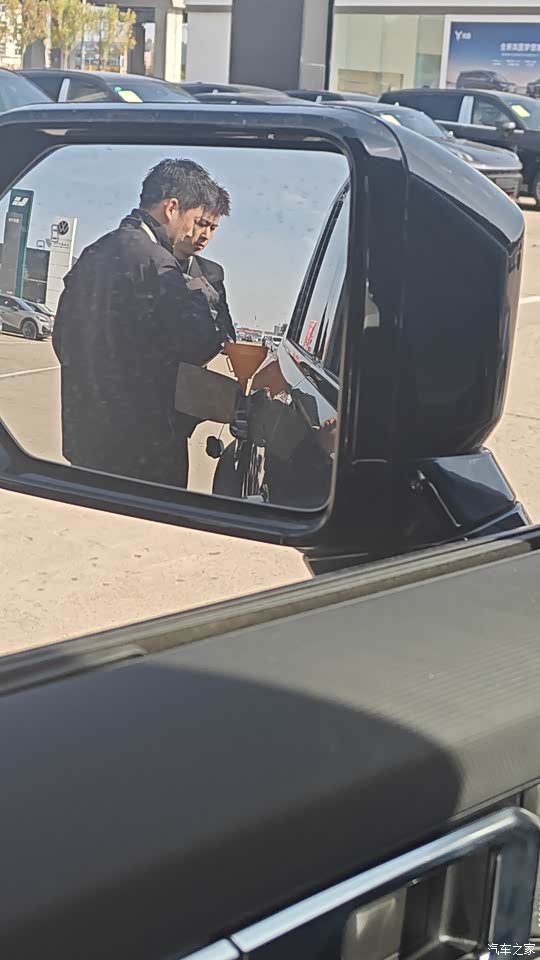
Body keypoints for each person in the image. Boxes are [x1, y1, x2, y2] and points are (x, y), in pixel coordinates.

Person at [53, 159, 231, 488]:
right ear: (172, 208)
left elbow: (61, 338)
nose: (192, 233)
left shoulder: (95, 250)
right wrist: (201, 295)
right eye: (194, 221)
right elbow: (198, 346)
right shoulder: (157, 263)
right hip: (143, 448)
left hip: (85, 433)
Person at [174, 195, 236, 345]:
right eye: (201, 224)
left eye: (212, 228)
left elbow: (227, 335)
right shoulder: (146, 261)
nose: (206, 235)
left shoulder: (213, 273)